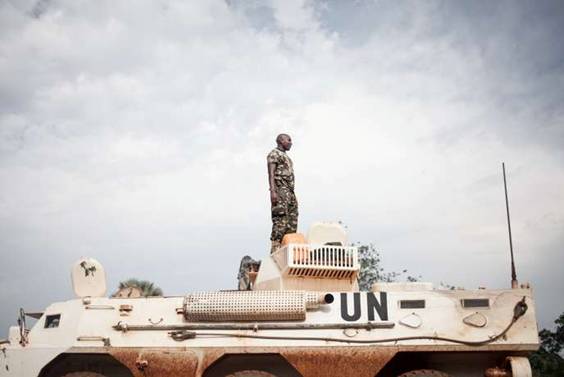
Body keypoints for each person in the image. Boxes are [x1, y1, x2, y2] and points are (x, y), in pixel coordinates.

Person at [267, 134, 298, 253]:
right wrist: (273, 191)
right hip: (281, 190)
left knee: (291, 222)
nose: (291, 142)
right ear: (281, 141)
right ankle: (275, 250)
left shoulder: (287, 157)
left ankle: (288, 250)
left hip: (290, 192)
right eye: (288, 140)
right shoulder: (274, 154)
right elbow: (271, 173)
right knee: (280, 221)